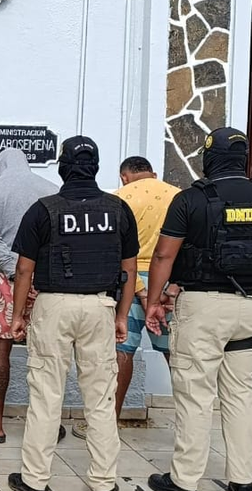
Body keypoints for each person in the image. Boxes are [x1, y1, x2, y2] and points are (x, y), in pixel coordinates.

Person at [145, 127, 252, 491]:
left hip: (202, 308)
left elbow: (164, 256)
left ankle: (184, 481)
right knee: (241, 396)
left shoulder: (191, 200)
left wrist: (153, 301)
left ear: (208, 159)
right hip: (251, 307)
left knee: (196, 396)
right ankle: (243, 485)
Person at [6, 136, 138, 491]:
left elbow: (23, 269)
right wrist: (123, 315)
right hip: (100, 306)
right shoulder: (118, 209)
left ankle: (34, 480)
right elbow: (129, 270)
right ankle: (104, 483)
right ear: (97, 168)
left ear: (62, 166)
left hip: (53, 306)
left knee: (46, 395)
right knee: (100, 397)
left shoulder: (43, 209)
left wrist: (18, 316)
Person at [73, 156, 180, 439]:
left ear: (124, 177)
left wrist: (143, 293)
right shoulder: (179, 197)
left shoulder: (118, 200)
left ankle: (109, 423)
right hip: (170, 285)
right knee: (175, 353)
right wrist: (169, 289)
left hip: (130, 282)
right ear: (154, 174)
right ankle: (188, 423)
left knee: (122, 351)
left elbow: (116, 252)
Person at [0, 147, 59, 444]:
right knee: (48, 355)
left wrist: (13, 272)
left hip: (4, 282)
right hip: (47, 283)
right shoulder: (52, 190)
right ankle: (47, 425)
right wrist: (35, 276)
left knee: (0, 351)